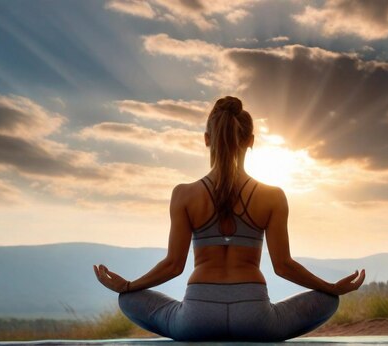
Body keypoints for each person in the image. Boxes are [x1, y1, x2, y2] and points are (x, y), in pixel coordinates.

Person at [93, 96, 365, 342]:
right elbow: (283, 266)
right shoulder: (272, 196)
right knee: (329, 301)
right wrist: (330, 287)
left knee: (127, 300)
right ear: (250, 140)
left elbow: (174, 265)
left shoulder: (184, 195)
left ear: (206, 139)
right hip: (256, 319)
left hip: (196, 319)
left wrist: (128, 286)